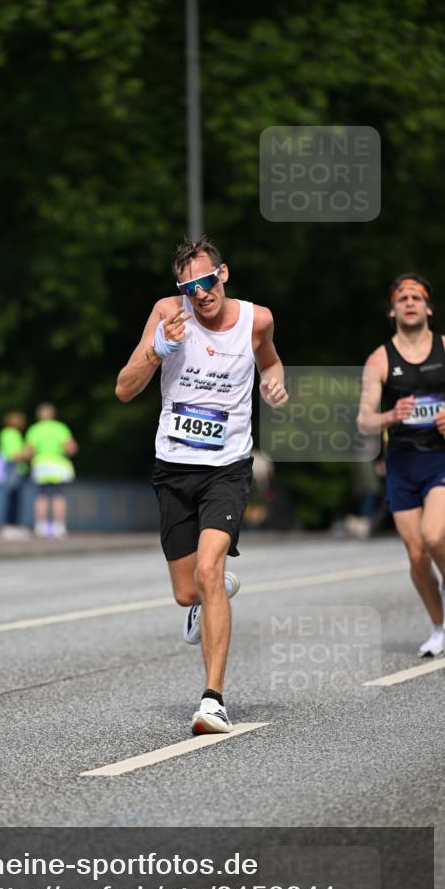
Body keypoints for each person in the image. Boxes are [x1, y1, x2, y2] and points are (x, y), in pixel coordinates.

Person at [115, 237, 288, 735]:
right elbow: (125, 388)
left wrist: (274, 382)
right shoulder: (169, 314)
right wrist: (158, 348)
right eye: (189, 286)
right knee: (187, 591)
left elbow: (270, 361)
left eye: (206, 281)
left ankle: (212, 699)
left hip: (228, 467)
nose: (200, 294)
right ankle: (208, 598)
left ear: (224, 274)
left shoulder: (257, 319)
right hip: (173, 467)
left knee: (210, 570)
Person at [358, 274, 445, 657]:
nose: (410, 302)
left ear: (428, 307)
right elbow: (364, 419)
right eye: (403, 298)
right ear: (392, 308)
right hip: (401, 465)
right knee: (416, 554)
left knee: (434, 537)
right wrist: (391, 415)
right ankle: (438, 629)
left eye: (417, 297)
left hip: (443, 458)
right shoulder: (380, 359)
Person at [25, 403, 78, 538]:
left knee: (42, 495)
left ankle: (40, 526)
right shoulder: (60, 428)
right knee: (58, 495)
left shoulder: (34, 429)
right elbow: (71, 448)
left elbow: (29, 451)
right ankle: (59, 527)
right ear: (53, 415)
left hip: (41, 463)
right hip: (57, 463)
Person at [0, 410, 30, 540]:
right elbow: (15, 455)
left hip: (17, 469)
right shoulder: (10, 434)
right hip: (13, 468)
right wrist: (27, 454)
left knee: (16, 497)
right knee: (12, 497)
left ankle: (14, 525)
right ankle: (8, 525)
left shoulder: (12, 434)